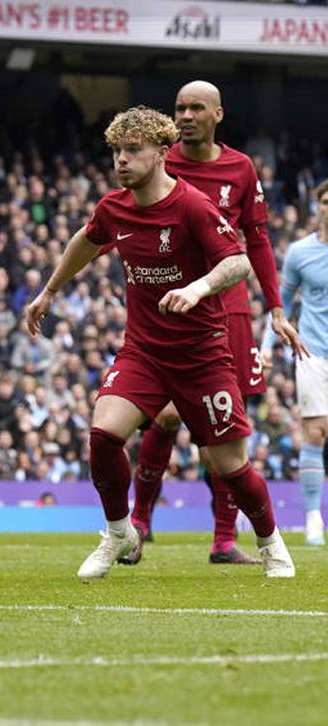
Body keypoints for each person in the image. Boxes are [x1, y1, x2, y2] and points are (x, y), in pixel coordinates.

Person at [23, 105, 294, 579]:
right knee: (104, 433)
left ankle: (271, 543)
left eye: (132, 151)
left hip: (201, 354)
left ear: (162, 154)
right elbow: (86, 241)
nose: (121, 161)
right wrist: (49, 291)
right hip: (144, 352)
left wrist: (196, 288)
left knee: (228, 463)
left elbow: (238, 263)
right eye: (116, 152)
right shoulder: (113, 207)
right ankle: (118, 531)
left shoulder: (192, 205)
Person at [123, 81, 305, 565]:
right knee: (162, 415)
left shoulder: (240, 168)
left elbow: (258, 241)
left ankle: (225, 539)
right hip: (172, 306)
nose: (185, 115)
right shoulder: (160, 161)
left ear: (217, 114)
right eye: (179, 107)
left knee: (225, 426)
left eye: (196, 108)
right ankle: (139, 523)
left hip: (229, 308)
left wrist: (277, 308)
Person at [261, 179, 328, 547]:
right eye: (326, 201)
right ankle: (314, 519)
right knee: (316, 432)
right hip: (313, 352)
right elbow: (279, 304)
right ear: (317, 206)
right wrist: (266, 345)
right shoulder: (301, 253)